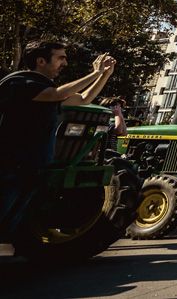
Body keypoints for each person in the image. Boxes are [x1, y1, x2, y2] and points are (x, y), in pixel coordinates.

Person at [1, 42, 116, 258]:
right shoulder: (20, 82)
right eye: (60, 57)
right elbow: (56, 94)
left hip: (32, 165)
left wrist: (104, 75)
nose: (65, 62)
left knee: (13, 218)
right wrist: (95, 72)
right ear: (41, 61)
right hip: (10, 163)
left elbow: (83, 99)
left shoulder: (43, 88)